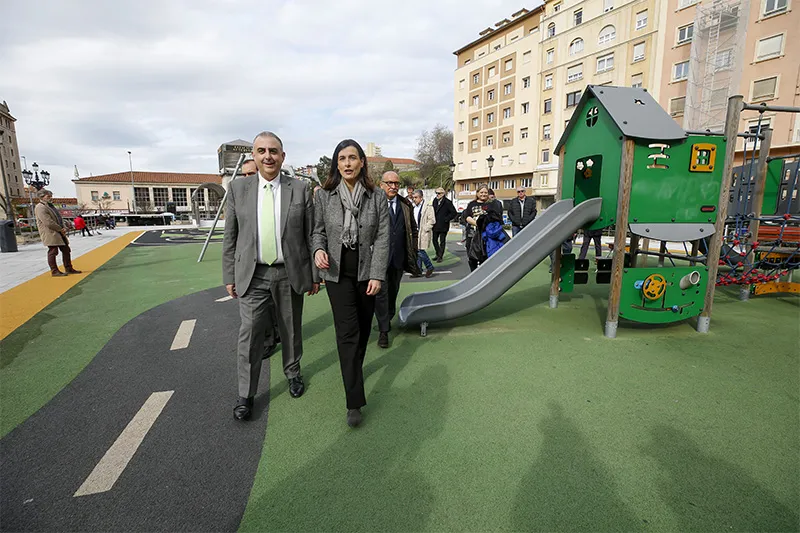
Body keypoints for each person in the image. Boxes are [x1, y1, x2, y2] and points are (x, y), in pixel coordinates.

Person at [222, 131, 320, 422]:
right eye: (261, 151)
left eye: (273, 151)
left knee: (291, 329)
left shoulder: (300, 189)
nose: (268, 156)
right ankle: (246, 394)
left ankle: (292, 373)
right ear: (254, 155)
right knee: (250, 333)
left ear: (283, 156)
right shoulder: (239, 189)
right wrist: (229, 274)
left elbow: (312, 233)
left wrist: (315, 274)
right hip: (252, 275)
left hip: (290, 273)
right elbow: (230, 236)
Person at [312, 139, 389, 428]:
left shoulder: (376, 196)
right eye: (341, 158)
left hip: (366, 272)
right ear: (336, 164)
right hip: (336, 273)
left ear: (361, 163)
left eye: (352, 158)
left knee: (363, 331)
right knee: (347, 334)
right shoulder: (324, 195)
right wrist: (319, 250)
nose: (347, 163)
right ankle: (354, 400)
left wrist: (378, 274)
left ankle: (352, 372)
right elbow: (317, 232)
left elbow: (382, 237)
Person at [374, 171, 420, 348]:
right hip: (379, 258)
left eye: (396, 183)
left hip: (399, 258)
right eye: (389, 183)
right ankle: (384, 330)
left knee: (392, 292)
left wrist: (414, 249)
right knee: (381, 294)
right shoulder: (373, 203)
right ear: (381, 184)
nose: (393, 186)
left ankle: (387, 317)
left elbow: (413, 229)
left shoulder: (405, 204)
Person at [240, 157, 280, 356]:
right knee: (256, 315)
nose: (247, 177)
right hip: (253, 268)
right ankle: (268, 339)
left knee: (275, 308)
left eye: (250, 173)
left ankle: (276, 333)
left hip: (281, 267)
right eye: (244, 174)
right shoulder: (241, 195)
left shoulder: (279, 193)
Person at [34, 189, 82, 277]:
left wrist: (63, 227)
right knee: (53, 251)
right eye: (48, 196)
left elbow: (58, 218)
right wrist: (60, 229)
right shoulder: (40, 207)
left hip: (58, 231)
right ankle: (54, 270)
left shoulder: (50, 206)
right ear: (42, 197)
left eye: (50, 196)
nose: (50, 198)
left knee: (66, 250)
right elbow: (48, 221)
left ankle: (68, 268)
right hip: (50, 232)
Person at [461, 184, 501, 272]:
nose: (483, 194)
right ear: (477, 193)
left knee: (485, 257)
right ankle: (473, 273)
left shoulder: (492, 204)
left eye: (485, 192)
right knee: (472, 257)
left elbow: (496, 217)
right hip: (472, 233)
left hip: (486, 235)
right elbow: (467, 217)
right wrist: (477, 224)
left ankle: (484, 275)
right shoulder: (471, 204)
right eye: (481, 192)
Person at [411, 189, 435, 278]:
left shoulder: (428, 207)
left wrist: (425, 228)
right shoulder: (413, 207)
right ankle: (418, 270)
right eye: (413, 198)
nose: (414, 199)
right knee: (416, 251)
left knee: (420, 251)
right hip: (415, 232)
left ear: (421, 198)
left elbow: (432, 220)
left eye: (416, 197)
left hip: (422, 232)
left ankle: (429, 266)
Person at [431, 187, 457, 262]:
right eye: (436, 193)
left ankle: (440, 256)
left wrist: (446, 219)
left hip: (443, 225)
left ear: (443, 194)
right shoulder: (435, 201)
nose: (437, 195)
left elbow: (454, 213)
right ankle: (438, 253)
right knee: (434, 240)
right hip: (435, 224)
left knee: (442, 241)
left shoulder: (448, 202)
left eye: (439, 193)